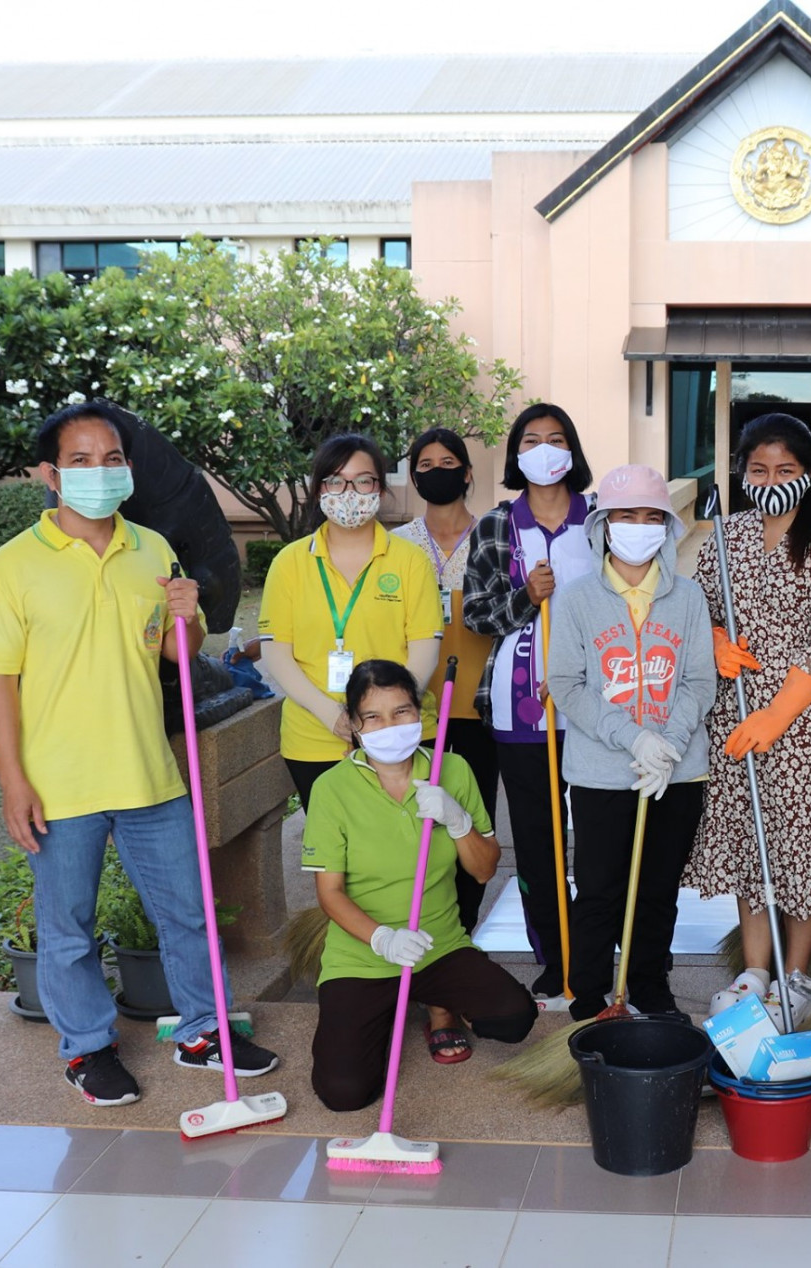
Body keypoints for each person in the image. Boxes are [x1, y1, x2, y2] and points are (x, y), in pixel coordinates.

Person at [0, 402, 278, 1106]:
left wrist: (188, 618)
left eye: (111, 459)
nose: (98, 472)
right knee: (67, 930)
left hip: (148, 776)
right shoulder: (12, 567)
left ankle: (204, 1032)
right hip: (59, 784)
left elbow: (178, 654)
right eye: (80, 460)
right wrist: (13, 783)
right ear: (50, 474)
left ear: (128, 469)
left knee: (188, 914)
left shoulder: (153, 550)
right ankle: (87, 1048)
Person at [688, 413, 811, 1019]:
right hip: (735, 715)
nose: (771, 481)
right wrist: (714, 640)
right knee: (753, 849)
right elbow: (696, 607)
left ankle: (794, 981)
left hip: (803, 728)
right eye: (759, 470)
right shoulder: (725, 537)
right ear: (742, 474)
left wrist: (776, 715)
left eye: (785, 469)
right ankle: (753, 972)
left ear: (808, 473)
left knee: (803, 856)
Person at [305, 659, 535, 1098]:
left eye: (401, 711)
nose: (390, 726)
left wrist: (458, 821)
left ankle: (439, 1003)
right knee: (344, 1092)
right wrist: (382, 939)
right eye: (373, 716)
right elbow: (329, 894)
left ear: (420, 711)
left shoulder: (453, 769)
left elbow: (484, 869)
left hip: (439, 945)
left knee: (513, 1017)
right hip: (362, 956)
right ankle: (383, 1008)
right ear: (353, 723)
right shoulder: (332, 788)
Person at [547, 466, 718, 1022]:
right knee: (598, 888)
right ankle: (589, 995)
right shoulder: (577, 599)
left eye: (651, 517)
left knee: (658, 890)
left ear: (667, 528)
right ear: (604, 525)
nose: (639, 527)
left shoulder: (688, 597)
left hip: (677, 771)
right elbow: (567, 684)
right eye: (626, 516)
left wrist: (666, 745)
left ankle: (648, 985)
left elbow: (699, 680)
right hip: (600, 772)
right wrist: (634, 737)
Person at [462, 403, 596, 1003]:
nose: (545, 450)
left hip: (594, 707)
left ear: (573, 450)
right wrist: (525, 596)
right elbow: (475, 613)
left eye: (557, 438)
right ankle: (556, 957)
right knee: (539, 844)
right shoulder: (497, 524)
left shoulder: (600, 520)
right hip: (521, 710)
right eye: (532, 440)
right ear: (517, 455)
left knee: (599, 838)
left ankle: (594, 953)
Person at [258, 435, 442, 810]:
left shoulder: (410, 561)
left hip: (400, 735)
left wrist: (382, 716)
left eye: (362, 480)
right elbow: (277, 654)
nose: (349, 493)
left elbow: (425, 648)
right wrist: (333, 716)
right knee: (333, 842)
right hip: (314, 738)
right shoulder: (289, 563)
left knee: (402, 839)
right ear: (319, 490)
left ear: (380, 488)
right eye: (336, 481)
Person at [394, 427, 495, 932]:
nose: (438, 473)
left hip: (480, 706)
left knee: (471, 818)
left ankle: (463, 929)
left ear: (468, 473)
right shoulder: (397, 545)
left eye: (448, 463)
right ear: (414, 478)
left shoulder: (493, 538)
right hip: (418, 709)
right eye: (426, 466)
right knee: (418, 821)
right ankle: (423, 923)